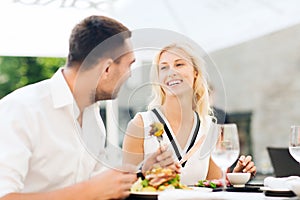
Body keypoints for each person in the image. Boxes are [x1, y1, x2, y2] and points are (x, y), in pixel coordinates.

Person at [0, 15, 176, 200]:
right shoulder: (20, 110)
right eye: (128, 65)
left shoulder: (93, 118)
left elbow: (100, 187)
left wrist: (143, 174)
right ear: (107, 68)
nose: (129, 75)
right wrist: (87, 193)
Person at [122, 43, 256, 185]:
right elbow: (125, 187)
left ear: (196, 72)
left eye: (179, 64)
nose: (171, 72)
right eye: (164, 67)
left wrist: (235, 179)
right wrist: (146, 174)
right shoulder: (140, 124)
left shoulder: (210, 128)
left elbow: (213, 187)